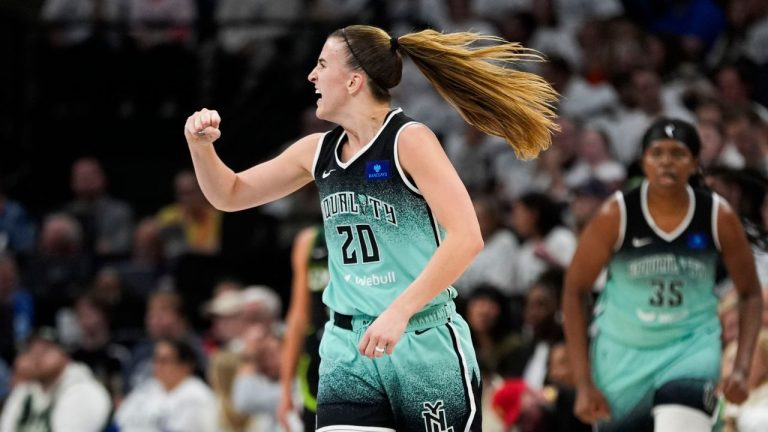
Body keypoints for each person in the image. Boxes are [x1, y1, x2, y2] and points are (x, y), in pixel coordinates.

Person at [184, 24, 558, 431]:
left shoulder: (408, 140)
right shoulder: (316, 151)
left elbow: (467, 237)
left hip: (421, 339)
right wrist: (201, 147)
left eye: (322, 64)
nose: (311, 75)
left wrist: (398, 311)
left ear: (354, 80)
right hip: (348, 348)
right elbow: (230, 195)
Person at [562, 118, 764, 432]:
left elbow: (750, 293)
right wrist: (584, 381)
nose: (666, 161)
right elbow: (575, 291)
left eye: (678, 153)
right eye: (657, 153)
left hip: (690, 348)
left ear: (695, 163)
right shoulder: (616, 215)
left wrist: (741, 367)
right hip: (621, 355)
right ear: (643, 161)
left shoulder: (716, 215)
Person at [277, 224, 329, 431]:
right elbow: (298, 317)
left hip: (369, 358)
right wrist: (285, 390)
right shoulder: (309, 241)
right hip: (319, 364)